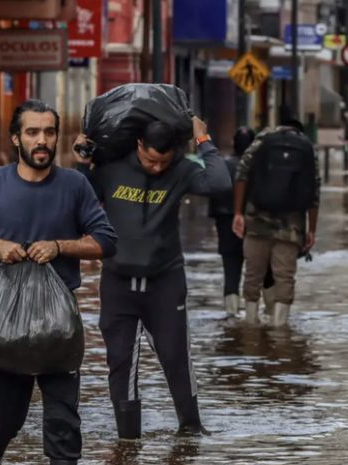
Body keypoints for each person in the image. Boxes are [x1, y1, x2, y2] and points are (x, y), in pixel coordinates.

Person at [0, 99, 118, 465]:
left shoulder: (75, 184)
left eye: (49, 132)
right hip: (4, 326)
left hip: (58, 325)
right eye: (33, 132)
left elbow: (106, 241)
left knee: (63, 423)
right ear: (16, 138)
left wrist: (59, 246)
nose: (42, 141)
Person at [73, 116, 231, 439]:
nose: (157, 167)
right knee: (121, 361)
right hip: (117, 280)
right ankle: (128, 440)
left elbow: (220, 184)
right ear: (138, 145)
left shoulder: (182, 170)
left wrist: (203, 140)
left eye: (164, 161)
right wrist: (82, 161)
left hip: (165, 280)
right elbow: (77, 197)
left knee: (176, 357)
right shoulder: (111, 166)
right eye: (149, 159)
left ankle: (190, 430)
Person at [233, 119, 320, 327]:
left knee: (253, 274)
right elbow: (314, 191)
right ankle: (280, 330)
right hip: (291, 226)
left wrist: (238, 213)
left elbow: (241, 174)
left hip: (257, 220)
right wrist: (311, 230)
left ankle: (251, 325)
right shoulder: (307, 147)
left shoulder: (262, 140)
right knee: (285, 277)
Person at [208, 127, 256, 316]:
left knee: (231, 270)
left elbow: (214, 194)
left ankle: (231, 313)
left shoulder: (223, 165)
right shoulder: (258, 167)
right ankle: (257, 317)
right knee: (258, 271)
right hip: (254, 223)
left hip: (225, 222)